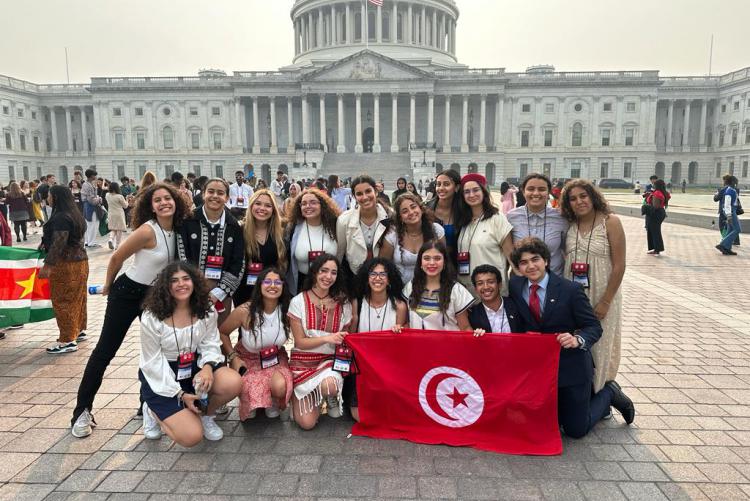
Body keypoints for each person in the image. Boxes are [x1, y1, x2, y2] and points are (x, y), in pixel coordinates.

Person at [71, 182, 188, 438]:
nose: (164, 203)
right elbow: (116, 258)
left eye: (168, 198)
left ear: (176, 201)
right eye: (157, 200)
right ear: (151, 206)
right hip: (127, 293)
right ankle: (82, 411)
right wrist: (108, 287)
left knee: (156, 352)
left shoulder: (179, 230)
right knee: (105, 351)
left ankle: (147, 404)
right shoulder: (148, 230)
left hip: (155, 297)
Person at [508, 237, 635, 438]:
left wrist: (578, 340)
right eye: (524, 262)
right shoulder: (515, 285)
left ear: (546, 261)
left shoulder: (570, 290)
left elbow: (593, 326)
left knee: (576, 430)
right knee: (541, 423)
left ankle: (608, 393)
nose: (531, 266)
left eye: (535, 259)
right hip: (540, 370)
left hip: (571, 366)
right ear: (518, 268)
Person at [138, 262, 242, 445]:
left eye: (186, 279)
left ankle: (205, 415)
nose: (181, 284)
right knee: (191, 437)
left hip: (195, 366)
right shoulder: (151, 316)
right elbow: (152, 361)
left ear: (194, 282)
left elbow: (210, 343)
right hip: (163, 374)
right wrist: (179, 394)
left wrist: (208, 368)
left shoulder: (206, 310)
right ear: (166, 286)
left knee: (233, 382)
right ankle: (152, 410)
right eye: (174, 280)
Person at [560, 180, 626, 393]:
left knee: (602, 345)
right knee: (578, 343)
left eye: (583, 196)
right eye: (573, 198)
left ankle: (605, 392)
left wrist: (606, 301)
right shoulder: (569, 226)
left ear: (593, 196)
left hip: (602, 293)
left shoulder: (611, 222)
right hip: (575, 296)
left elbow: (619, 265)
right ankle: (584, 393)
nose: (579, 201)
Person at [288, 254, 354, 430]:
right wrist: (328, 337)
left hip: (329, 362)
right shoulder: (298, 301)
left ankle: (328, 395)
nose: (328, 277)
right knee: (307, 424)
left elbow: (348, 337)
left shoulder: (344, 303)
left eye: (333, 272)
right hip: (303, 363)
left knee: (330, 386)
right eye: (324, 271)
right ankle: (304, 395)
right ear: (315, 272)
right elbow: (300, 342)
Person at [220, 267, 293, 421]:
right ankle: (250, 400)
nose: (272, 285)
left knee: (279, 387)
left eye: (277, 282)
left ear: (283, 287)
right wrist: (232, 356)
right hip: (247, 359)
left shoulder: (288, 310)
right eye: (267, 281)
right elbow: (222, 332)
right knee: (249, 404)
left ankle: (272, 400)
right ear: (259, 286)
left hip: (274, 359)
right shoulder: (244, 311)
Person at [344, 257, 408, 422]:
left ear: (389, 279)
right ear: (366, 277)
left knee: (389, 413)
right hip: (362, 366)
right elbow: (350, 338)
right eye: (373, 273)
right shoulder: (357, 302)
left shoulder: (400, 305)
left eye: (382, 274)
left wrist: (401, 331)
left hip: (389, 365)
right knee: (360, 418)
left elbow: (403, 345)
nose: (377, 278)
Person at [177, 178, 245, 323]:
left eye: (220, 193)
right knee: (191, 337)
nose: (215, 196)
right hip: (191, 293)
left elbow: (239, 262)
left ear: (227, 198)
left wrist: (219, 292)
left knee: (218, 337)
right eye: (211, 191)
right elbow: (181, 256)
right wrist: (194, 287)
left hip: (221, 296)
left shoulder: (234, 227)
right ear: (203, 194)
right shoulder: (187, 222)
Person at [38, 186, 89, 354]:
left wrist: (48, 265)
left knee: (63, 300)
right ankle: (78, 330)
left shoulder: (61, 217)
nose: (48, 198)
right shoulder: (75, 214)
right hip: (81, 262)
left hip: (65, 265)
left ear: (57, 197)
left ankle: (67, 340)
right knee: (78, 298)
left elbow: (59, 243)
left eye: (50, 195)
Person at [457, 173, 514, 295]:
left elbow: (511, 255)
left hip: (492, 290)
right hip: (468, 291)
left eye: (476, 190)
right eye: (467, 192)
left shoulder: (497, 218)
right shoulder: (464, 222)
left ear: (484, 191)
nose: (471, 195)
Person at [404, 241, 475, 331]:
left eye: (437, 258)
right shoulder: (411, 286)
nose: (432, 263)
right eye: (426, 258)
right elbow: (406, 323)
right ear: (420, 263)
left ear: (444, 262)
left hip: (448, 344)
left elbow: (465, 327)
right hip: (417, 344)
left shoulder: (456, 290)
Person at [507, 173, 569, 276]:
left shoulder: (561, 218)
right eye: (530, 189)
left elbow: (566, 249)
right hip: (523, 281)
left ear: (549, 192)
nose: (536, 193)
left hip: (554, 279)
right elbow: (508, 252)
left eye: (541, 189)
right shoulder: (511, 217)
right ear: (523, 192)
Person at [233, 189, 287, 307]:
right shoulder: (238, 231)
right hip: (244, 294)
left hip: (272, 292)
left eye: (268, 205)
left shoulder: (280, 233)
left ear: (273, 210)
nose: (262, 208)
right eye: (258, 204)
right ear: (251, 206)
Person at [380, 193, 445, 284]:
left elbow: (445, 260)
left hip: (431, 287)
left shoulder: (437, 230)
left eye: (413, 207)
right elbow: (383, 266)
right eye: (405, 211)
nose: (411, 212)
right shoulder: (392, 236)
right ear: (400, 218)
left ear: (421, 209)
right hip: (400, 290)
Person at [285, 188, 340, 295]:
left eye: (313, 202)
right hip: (303, 283)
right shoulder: (293, 228)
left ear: (322, 205)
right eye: (304, 204)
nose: (308, 206)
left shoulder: (336, 226)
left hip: (331, 283)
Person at [336, 175, 390, 276]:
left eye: (368, 191)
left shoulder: (390, 216)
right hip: (354, 275)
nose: (365, 197)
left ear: (376, 192)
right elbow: (340, 252)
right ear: (354, 197)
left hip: (383, 275)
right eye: (359, 194)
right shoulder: (344, 220)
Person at [467, 264, 519, 335]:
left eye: (490, 282)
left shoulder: (516, 305)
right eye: (480, 283)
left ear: (499, 285)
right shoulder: (472, 315)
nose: (486, 287)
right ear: (475, 289)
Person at [426, 169, 463, 264]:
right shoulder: (426, 210)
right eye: (438, 184)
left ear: (457, 187)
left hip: (458, 263)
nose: (441, 188)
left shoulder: (464, 210)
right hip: (433, 263)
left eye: (446, 184)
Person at [716, 174, 742, 256]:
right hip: (730, 211)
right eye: (736, 181)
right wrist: (729, 215)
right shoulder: (729, 191)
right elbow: (726, 204)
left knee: (730, 229)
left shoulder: (732, 190)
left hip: (731, 211)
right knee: (737, 229)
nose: (737, 183)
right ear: (732, 182)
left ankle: (727, 249)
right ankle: (723, 244)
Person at [645, 179, 669, 256]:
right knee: (655, 231)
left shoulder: (657, 193)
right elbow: (664, 201)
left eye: (654, 184)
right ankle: (656, 249)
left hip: (655, 213)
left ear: (657, 185)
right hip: (661, 212)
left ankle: (657, 250)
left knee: (655, 231)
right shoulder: (664, 192)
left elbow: (655, 206)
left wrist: (650, 199)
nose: (653, 185)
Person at [80, 169, 103, 248]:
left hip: (88, 206)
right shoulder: (88, 185)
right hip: (91, 207)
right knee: (93, 225)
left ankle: (88, 241)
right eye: (94, 175)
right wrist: (99, 199)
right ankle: (91, 242)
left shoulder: (87, 184)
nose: (95, 176)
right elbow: (91, 200)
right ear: (91, 176)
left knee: (89, 225)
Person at [105, 182, 129, 250]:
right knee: (119, 230)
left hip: (111, 214)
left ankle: (110, 239)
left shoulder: (107, 195)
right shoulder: (119, 196)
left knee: (113, 229)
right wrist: (127, 199)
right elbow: (125, 206)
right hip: (119, 214)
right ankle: (117, 245)